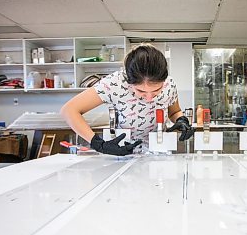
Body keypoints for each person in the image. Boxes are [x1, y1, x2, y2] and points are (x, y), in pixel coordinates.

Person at [60, 44, 194, 156]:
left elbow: (173, 112)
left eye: (156, 91)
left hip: (159, 150)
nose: (149, 97)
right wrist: (98, 143)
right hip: (124, 151)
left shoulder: (169, 84)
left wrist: (181, 120)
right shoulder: (114, 83)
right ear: (128, 82)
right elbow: (69, 110)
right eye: (141, 91)